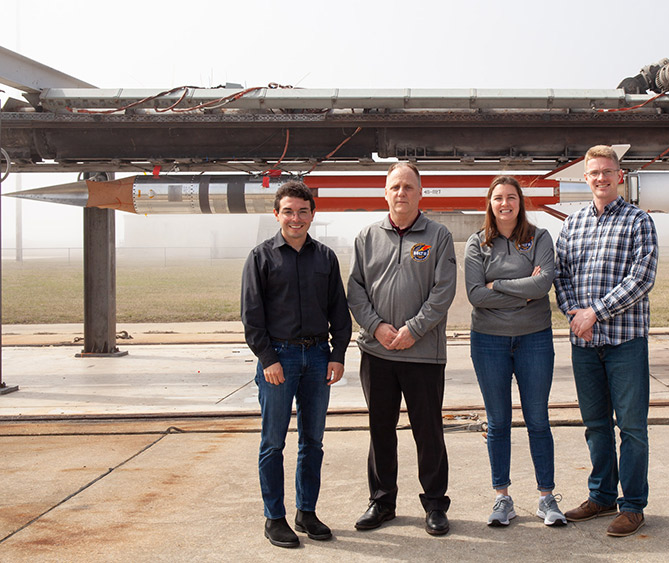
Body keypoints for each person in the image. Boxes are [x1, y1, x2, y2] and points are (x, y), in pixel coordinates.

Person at [347, 161, 457, 536]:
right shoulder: (366, 237)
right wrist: (375, 327)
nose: (401, 193)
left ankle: (435, 504)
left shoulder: (438, 236)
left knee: (428, 431)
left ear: (420, 193)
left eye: (408, 187)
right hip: (376, 352)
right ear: (385, 193)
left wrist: (414, 329)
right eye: (395, 187)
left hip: (422, 353)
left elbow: (443, 292)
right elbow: (356, 290)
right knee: (380, 429)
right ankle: (382, 500)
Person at [553, 145, 659, 537]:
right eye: (593, 172)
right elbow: (560, 276)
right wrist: (573, 315)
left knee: (631, 427)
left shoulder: (638, 222)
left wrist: (594, 312)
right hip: (584, 343)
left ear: (619, 175)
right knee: (595, 424)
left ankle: (632, 506)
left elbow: (642, 279)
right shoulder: (572, 223)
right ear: (585, 177)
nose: (600, 178)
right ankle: (601, 497)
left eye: (607, 172)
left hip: (625, 340)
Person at [241, 180, 351, 548]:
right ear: (277, 215)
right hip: (280, 360)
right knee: (273, 443)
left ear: (312, 215)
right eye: (288, 211)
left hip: (319, 358)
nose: (296, 218)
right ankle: (275, 518)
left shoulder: (325, 258)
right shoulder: (261, 257)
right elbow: (251, 316)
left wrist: (337, 355)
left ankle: (307, 512)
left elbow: (339, 309)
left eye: (303, 211)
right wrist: (268, 359)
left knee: (313, 442)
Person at [464, 176, 566, 527]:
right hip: (489, 341)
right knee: (498, 422)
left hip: (534, 339)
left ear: (520, 202)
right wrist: (523, 292)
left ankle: (546, 498)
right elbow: (475, 294)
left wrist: (501, 286)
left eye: (511, 197)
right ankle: (502, 498)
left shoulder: (539, 237)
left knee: (537, 419)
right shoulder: (477, 244)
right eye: (498, 198)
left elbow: (543, 284)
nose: (504, 203)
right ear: (489, 204)